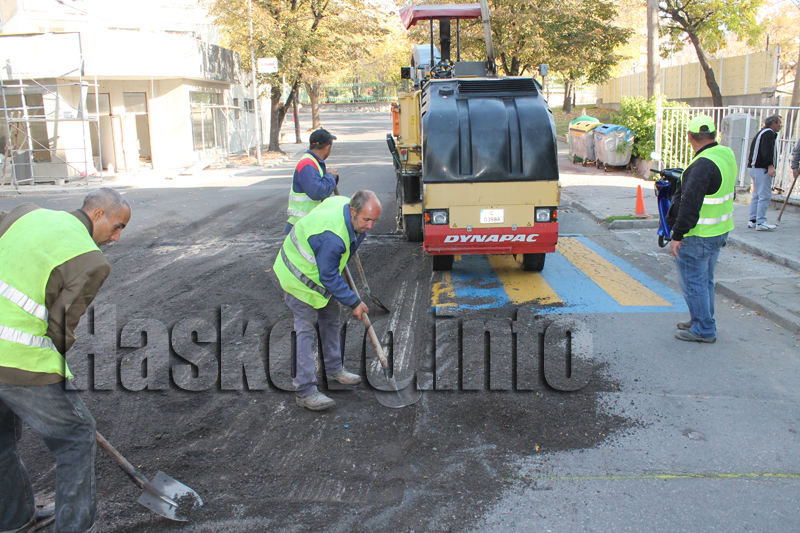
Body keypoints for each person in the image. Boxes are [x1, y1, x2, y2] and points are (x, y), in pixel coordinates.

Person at [0, 188, 131, 532]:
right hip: (18, 360)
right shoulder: (91, 260)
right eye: (117, 226)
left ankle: (13, 521)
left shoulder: (25, 212)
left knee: (0, 442)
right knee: (76, 436)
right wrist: (56, 375)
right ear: (98, 214)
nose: (116, 238)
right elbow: (60, 328)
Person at [273, 190, 381, 410]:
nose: (370, 226)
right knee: (306, 331)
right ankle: (304, 391)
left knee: (330, 318)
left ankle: (334, 369)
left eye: (374, 221)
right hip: (298, 275)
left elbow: (331, 267)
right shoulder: (334, 237)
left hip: (319, 272)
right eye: (366, 220)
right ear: (353, 212)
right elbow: (329, 276)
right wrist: (354, 301)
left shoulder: (344, 205)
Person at [669, 115, 736, 343]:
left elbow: (689, 205)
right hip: (719, 230)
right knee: (705, 280)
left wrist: (677, 235)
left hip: (698, 235)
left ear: (689, 136)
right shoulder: (725, 154)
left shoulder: (700, 165)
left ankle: (704, 329)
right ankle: (701, 318)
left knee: (694, 283)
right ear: (715, 134)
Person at [285, 128, 339, 233]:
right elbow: (318, 192)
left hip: (307, 223)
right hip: (303, 226)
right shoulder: (307, 164)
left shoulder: (313, 162)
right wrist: (330, 176)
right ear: (328, 147)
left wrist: (329, 177)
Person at [746, 114, 782, 230]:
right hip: (762, 168)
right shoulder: (769, 133)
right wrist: (770, 166)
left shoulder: (762, 132)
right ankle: (761, 221)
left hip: (754, 167)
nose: (780, 126)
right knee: (764, 195)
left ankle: (753, 219)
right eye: (779, 123)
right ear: (774, 123)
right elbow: (767, 151)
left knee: (756, 194)